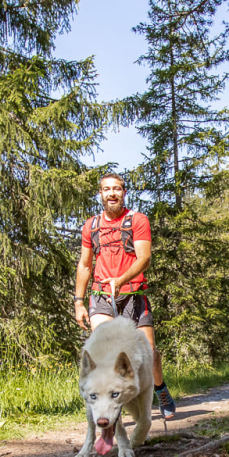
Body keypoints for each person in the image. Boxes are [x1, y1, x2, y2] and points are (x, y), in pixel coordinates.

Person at [74, 172, 177, 419]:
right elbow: (85, 266)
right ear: (100, 194)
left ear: (124, 192)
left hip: (133, 296)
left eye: (117, 189)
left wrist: (121, 280)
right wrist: (78, 302)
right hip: (101, 296)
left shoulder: (138, 220)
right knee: (103, 352)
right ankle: (111, 404)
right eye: (107, 189)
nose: (112, 193)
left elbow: (145, 258)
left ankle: (160, 389)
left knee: (150, 353)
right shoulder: (91, 226)